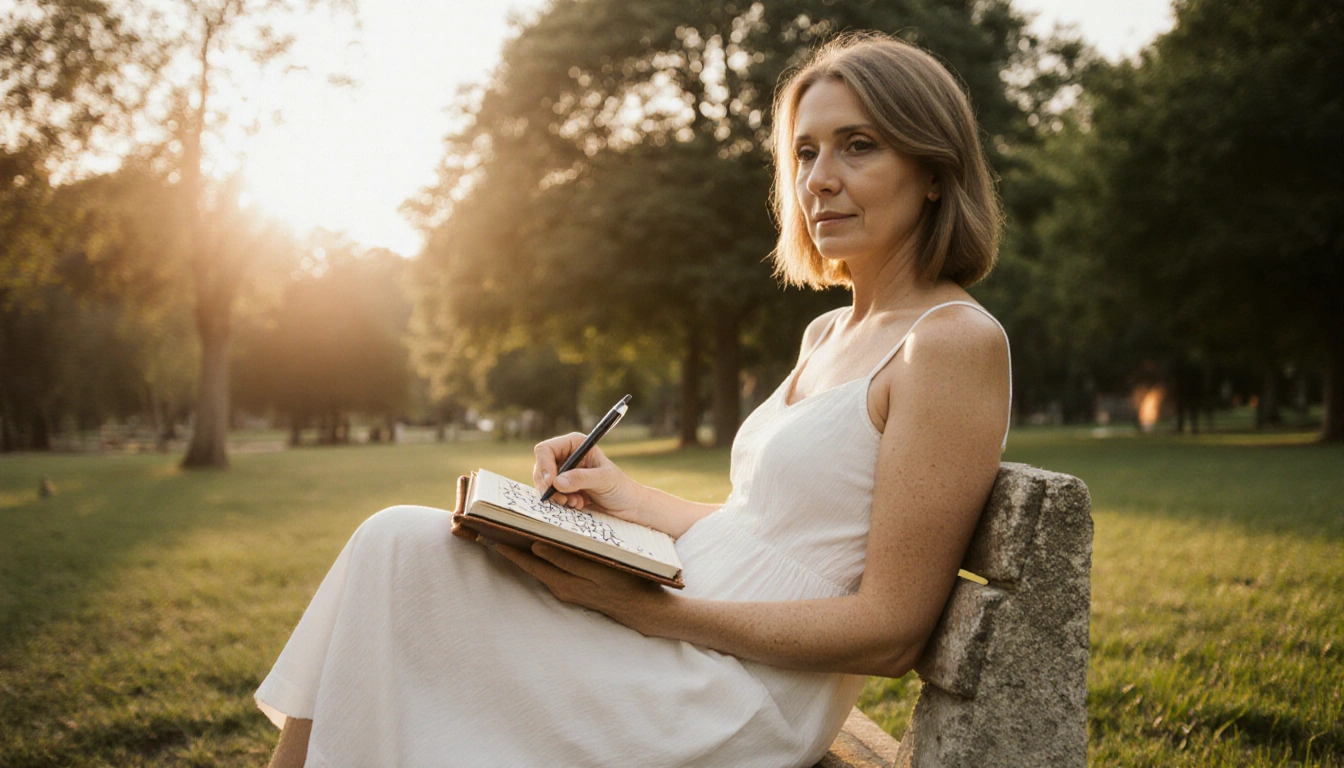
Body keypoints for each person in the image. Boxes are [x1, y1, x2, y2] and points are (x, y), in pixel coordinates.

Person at [259, 31, 1011, 768]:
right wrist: (623, 497)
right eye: (805, 151)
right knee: (397, 548)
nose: (817, 178)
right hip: (679, 638)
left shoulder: (949, 344)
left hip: (732, 696)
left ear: (935, 171)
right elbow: (766, 532)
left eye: (858, 145)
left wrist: (647, 611)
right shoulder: (826, 332)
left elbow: (890, 630)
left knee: (397, 550)